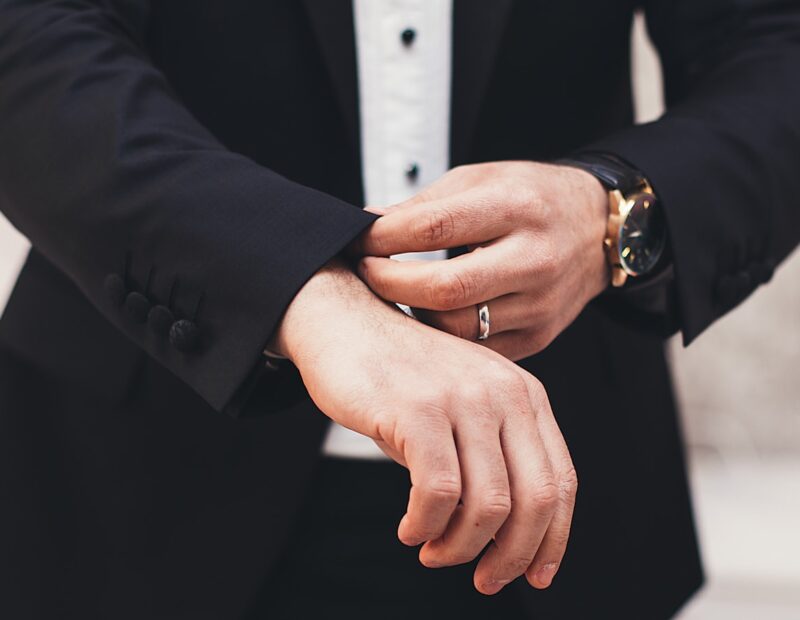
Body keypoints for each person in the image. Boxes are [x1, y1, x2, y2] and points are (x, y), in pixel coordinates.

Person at [0, 0, 797, 618]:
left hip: (560, 494)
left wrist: (615, 214)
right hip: (129, 486)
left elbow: (773, 47)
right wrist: (289, 284)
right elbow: (29, 38)